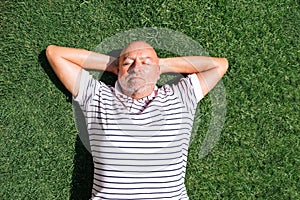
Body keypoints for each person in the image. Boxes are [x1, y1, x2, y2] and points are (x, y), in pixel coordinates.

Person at [46, 41, 228, 200]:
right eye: (128, 63)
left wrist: (161, 65)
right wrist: (113, 65)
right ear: (118, 72)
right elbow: (55, 54)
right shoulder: (98, 97)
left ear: (158, 72)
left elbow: (219, 65)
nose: (136, 67)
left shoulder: (180, 96)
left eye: (145, 61)